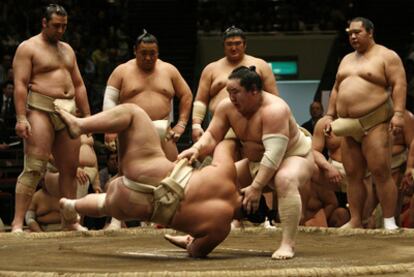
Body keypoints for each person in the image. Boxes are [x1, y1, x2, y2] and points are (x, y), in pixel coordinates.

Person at [57, 103, 244, 258]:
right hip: (138, 205)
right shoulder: (220, 230)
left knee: (133, 113)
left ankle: (80, 125)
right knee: (104, 204)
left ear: (245, 192)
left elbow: (227, 143)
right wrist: (189, 238)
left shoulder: (226, 176)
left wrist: (245, 139)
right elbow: (195, 251)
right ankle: (71, 205)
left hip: (148, 172)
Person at [177, 66, 314, 259]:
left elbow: (274, 155)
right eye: (229, 92)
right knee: (217, 184)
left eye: (236, 92)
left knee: (285, 179)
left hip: (293, 157)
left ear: (254, 91)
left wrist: (256, 187)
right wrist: (196, 148)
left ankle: (287, 244)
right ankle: (195, 235)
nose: (231, 97)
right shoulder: (227, 107)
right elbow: (212, 135)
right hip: (256, 162)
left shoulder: (275, 109)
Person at [11, 4, 90, 232]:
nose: (61, 31)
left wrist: (87, 118)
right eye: (56, 26)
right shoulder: (28, 48)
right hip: (40, 109)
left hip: (68, 111)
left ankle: (69, 221)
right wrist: (21, 118)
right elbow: (20, 85)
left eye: (64, 26)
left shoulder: (67, 50)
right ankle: (17, 223)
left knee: (70, 169)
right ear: (44, 23)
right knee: (35, 166)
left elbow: (79, 85)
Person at [324, 17, 406, 230]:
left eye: (357, 32)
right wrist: (329, 115)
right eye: (350, 33)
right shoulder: (346, 60)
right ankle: (355, 219)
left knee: (381, 172)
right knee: (352, 174)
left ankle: (388, 220)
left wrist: (398, 114)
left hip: (375, 122)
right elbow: (336, 88)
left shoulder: (387, 56)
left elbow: (399, 84)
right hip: (348, 124)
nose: (352, 36)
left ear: (370, 32)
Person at [102, 30, 193, 161]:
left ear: (158, 52)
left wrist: (181, 124)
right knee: (131, 174)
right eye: (143, 53)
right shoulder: (121, 71)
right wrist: (110, 128)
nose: (148, 58)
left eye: (152, 53)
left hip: (163, 130)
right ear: (135, 51)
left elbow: (186, 95)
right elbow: (110, 100)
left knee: (171, 173)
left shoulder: (169, 70)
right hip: (131, 130)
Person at [191, 26, 279, 142]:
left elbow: (274, 98)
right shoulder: (211, 69)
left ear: (245, 45)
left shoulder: (261, 65)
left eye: (238, 43)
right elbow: (200, 101)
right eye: (229, 44)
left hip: (254, 122)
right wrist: (196, 125)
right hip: (221, 125)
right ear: (223, 46)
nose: (233, 48)